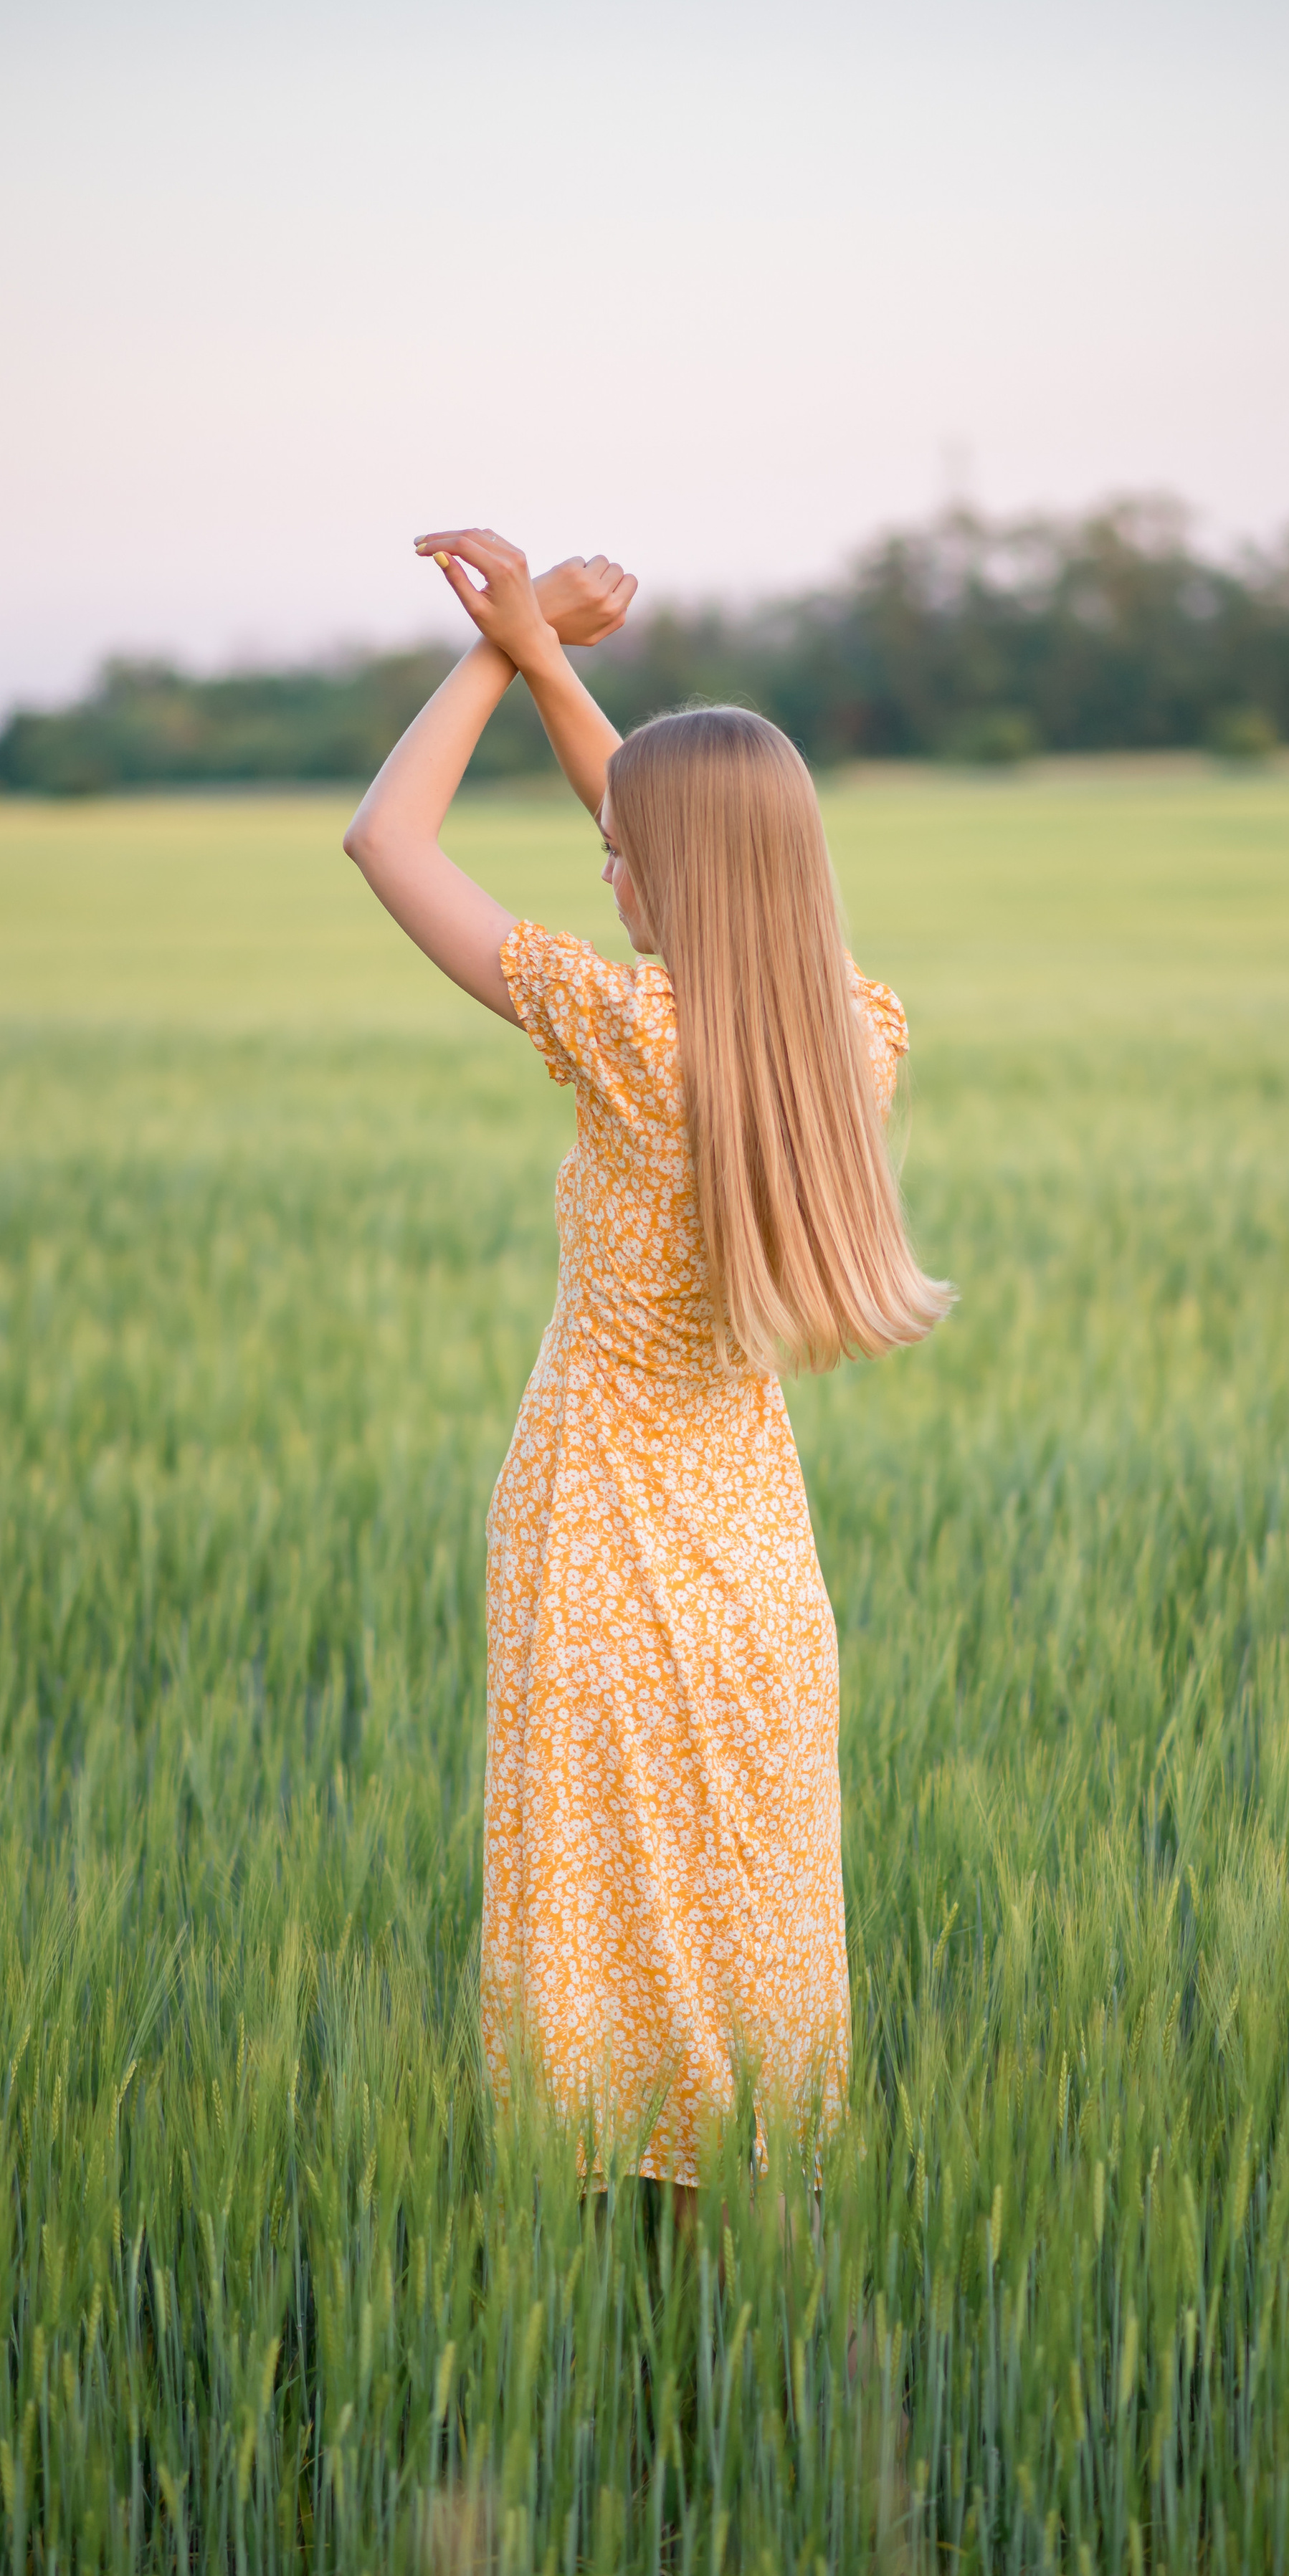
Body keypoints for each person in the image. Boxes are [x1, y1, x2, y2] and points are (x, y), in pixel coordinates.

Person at [343, 528, 950, 2213]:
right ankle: (733, 2311)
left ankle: (613, 2335)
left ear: (667, 877)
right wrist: (551, 659)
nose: (605, 868)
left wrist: (490, 655)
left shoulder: (626, 1041)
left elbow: (381, 836)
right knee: (737, 1962)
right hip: (754, 1569)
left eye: (623, 857)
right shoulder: (849, 1036)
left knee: (604, 1972)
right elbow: (692, 844)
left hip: (599, 1552)